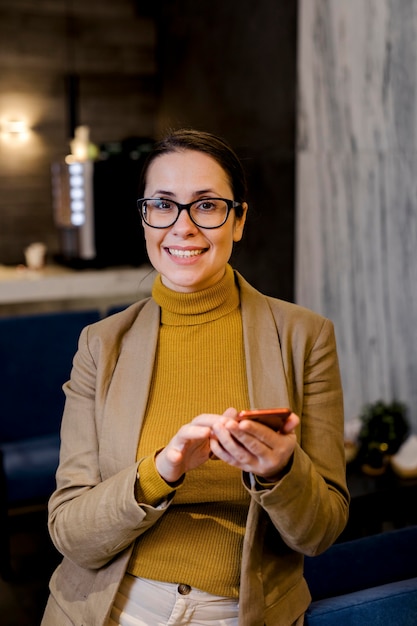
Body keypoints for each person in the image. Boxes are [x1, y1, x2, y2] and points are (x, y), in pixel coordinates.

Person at [42, 129, 349, 626]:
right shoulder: (100, 345)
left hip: (238, 613)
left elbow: (319, 533)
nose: (182, 227)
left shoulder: (305, 337)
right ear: (145, 219)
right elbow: (70, 533)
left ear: (240, 219)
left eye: (207, 206)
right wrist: (161, 470)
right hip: (110, 609)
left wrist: (280, 471)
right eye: (163, 205)